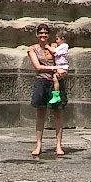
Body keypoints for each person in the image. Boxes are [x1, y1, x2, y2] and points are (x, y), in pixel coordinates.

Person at [27, 23, 66, 158]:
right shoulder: (32, 49)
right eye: (41, 33)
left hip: (56, 82)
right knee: (40, 113)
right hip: (41, 81)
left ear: (49, 35)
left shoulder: (54, 47)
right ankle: (38, 144)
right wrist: (54, 68)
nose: (43, 35)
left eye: (45, 33)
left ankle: (59, 145)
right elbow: (37, 67)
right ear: (37, 34)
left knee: (58, 112)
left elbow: (63, 59)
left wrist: (63, 71)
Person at [49, 30, 70, 102]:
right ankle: (57, 95)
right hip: (59, 66)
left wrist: (48, 46)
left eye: (57, 39)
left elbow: (54, 52)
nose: (56, 41)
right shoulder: (61, 46)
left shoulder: (64, 46)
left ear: (62, 39)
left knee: (55, 78)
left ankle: (56, 95)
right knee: (56, 79)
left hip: (62, 67)